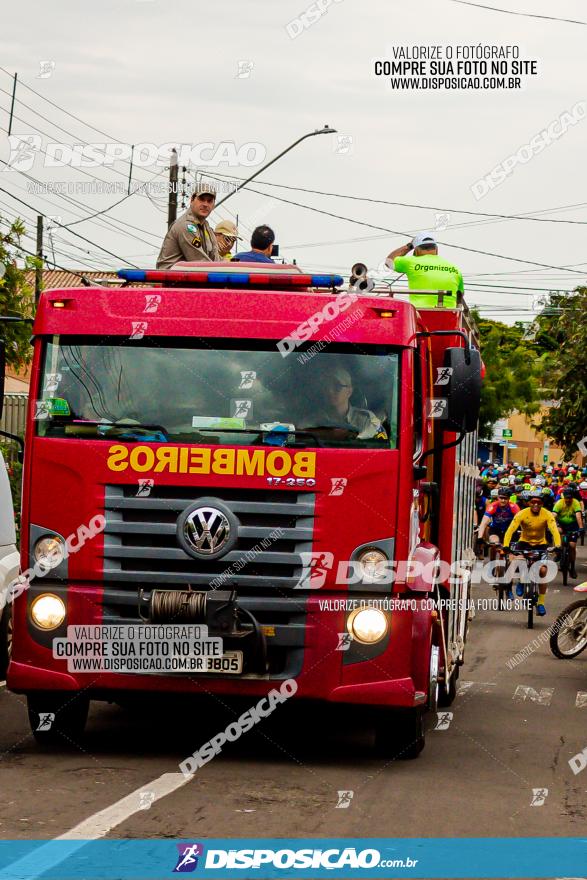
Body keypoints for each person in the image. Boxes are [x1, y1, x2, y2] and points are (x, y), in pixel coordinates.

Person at [503, 492, 561, 616]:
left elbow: (554, 530)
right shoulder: (522, 513)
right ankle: (521, 581)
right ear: (528, 503)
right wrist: (506, 546)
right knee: (517, 561)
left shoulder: (547, 514)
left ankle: (541, 603)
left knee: (543, 571)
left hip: (541, 545)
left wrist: (558, 545)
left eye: (538, 502)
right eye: (533, 502)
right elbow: (511, 529)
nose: (535, 504)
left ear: (542, 504)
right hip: (524, 543)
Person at [301, 365, 387, 440]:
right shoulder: (312, 421)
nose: (330, 391)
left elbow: (381, 440)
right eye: (326, 386)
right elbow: (298, 438)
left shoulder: (367, 419)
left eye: (337, 386)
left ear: (349, 391)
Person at [384, 231, 464, 308]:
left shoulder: (411, 262)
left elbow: (389, 261)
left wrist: (409, 246)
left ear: (417, 250)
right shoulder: (455, 269)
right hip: (450, 317)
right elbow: (460, 294)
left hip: (419, 316)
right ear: (436, 249)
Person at [156, 183, 219, 268]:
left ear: (213, 204)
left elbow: (216, 260)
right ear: (192, 200)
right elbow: (199, 263)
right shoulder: (186, 225)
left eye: (209, 201)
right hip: (170, 278)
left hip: (187, 277)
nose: (205, 204)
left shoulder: (206, 228)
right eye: (201, 199)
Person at [478, 488, 520, 599]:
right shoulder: (493, 506)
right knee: (494, 543)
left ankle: (509, 587)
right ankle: (497, 571)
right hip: (496, 531)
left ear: (509, 499)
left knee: (511, 560)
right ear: (498, 498)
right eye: (501, 498)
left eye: (505, 498)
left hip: (510, 532)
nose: (503, 501)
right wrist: (479, 537)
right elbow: (483, 523)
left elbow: (521, 521)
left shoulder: (514, 507)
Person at [553, 487, 584, 579]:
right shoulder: (559, 503)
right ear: (564, 497)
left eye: (569, 498)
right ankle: (558, 551)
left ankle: (572, 567)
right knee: (557, 531)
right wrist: (551, 524)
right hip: (561, 524)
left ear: (572, 497)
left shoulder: (576, 503)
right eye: (566, 498)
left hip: (572, 525)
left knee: (572, 546)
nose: (568, 500)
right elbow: (554, 514)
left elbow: (578, 516)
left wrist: (581, 528)